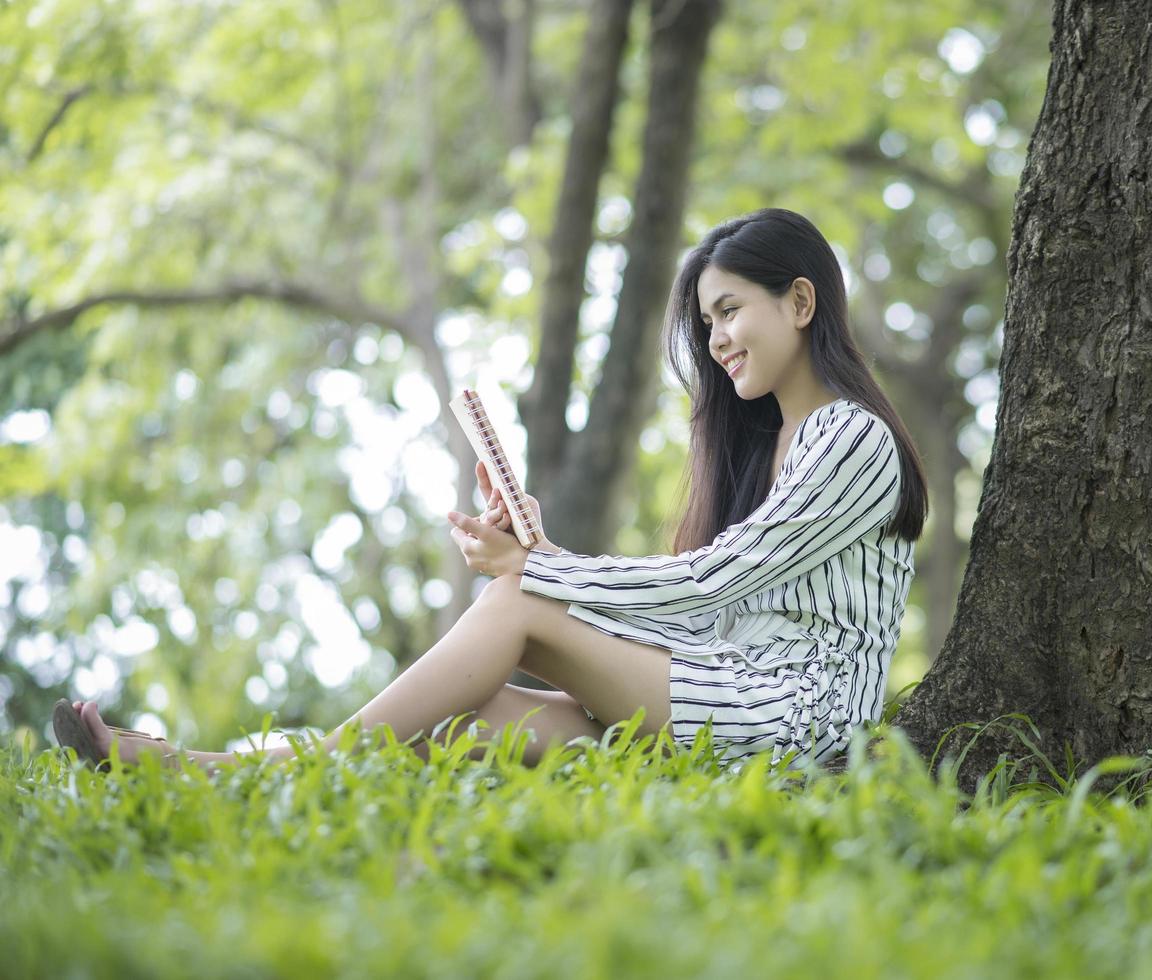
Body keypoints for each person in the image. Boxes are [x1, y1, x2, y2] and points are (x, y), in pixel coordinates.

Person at [54, 207, 928, 773]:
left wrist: (536, 574)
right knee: (468, 721)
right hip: (730, 695)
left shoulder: (851, 439)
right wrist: (543, 556)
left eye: (730, 310)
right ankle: (251, 773)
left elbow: (707, 585)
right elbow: (698, 614)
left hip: (799, 724)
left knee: (515, 602)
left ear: (802, 302)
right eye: (707, 322)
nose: (717, 338)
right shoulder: (773, 448)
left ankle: (246, 773)